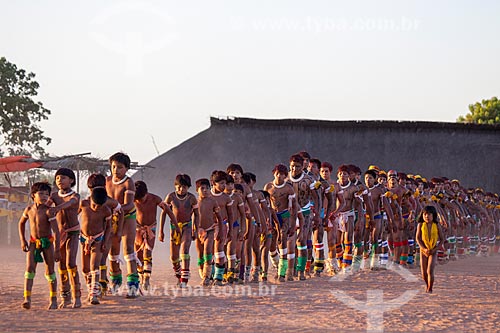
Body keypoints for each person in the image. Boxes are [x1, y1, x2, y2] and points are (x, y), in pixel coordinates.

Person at [18, 182, 61, 310]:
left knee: (50, 271)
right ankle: (27, 298)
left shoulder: (49, 212)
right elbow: (21, 224)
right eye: (41, 193)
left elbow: (56, 232)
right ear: (33, 195)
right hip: (33, 242)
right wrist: (23, 240)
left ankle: (53, 300)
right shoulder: (29, 210)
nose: (44, 197)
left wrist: (57, 250)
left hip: (47, 242)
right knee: (30, 269)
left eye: (47, 194)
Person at [105, 152, 139, 297]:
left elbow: (129, 204)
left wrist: (116, 210)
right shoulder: (107, 181)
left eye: (120, 167)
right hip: (112, 218)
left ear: (126, 169)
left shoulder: (128, 182)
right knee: (113, 251)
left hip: (127, 216)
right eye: (113, 166)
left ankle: (132, 286)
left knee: (128, 250)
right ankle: (115, 282)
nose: (116, 170)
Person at [134, 181, 177, 290]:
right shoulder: (133, 200)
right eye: (138, 199)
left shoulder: (155, 199)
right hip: (137, 228)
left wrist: (176, 225)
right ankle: (140, 275)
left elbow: (168, 211)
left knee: (147, 252)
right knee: (138, 255)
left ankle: (147, 278)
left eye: (142, 198)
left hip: (151, 228)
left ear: (146, 193)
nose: (140, 201)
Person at [49, 168, 82, 308]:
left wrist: (58, 208)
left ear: (71, 180)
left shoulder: (75, 195)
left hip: (73, 232)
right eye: (57, 178)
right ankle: (65, 296)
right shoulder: (54, 195)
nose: (59, 181)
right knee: (61, 265)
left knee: (71, 263)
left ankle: (77, 296)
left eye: (63, 178)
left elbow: (71, 203)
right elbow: (45, 204)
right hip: (60, 234)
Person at [86, 173, 123, 296]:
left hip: (106, 234)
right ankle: (97, 284)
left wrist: (119, 230)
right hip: (88, 237)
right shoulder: (87, 202)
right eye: (92, 189)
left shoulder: (109, 202)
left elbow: (121, 212)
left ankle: (101, 286)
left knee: (102, 260)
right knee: (90, 265)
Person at [160, 174, 199, 288]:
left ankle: (184, 280)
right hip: (174, 228)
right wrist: (161, 231)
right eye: (179, 187)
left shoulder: (191, 198)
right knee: (174, 257)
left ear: (188, 187)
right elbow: (164, 213)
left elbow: (197, 215)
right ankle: (178, 275)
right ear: (175, 186)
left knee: (184, 251)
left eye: (185, 187)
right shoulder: (170, 197)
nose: (182, 190)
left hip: (187, 226)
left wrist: (195, 229)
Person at [287, 154, 320, 280]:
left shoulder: (309, 180)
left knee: (302, 240)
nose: (295, 169)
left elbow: (316, 198)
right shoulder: (286, 179)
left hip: (305, 212)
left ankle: (301, 270)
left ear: (303, 167)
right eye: (292, 166)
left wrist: (317, 214)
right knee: (291, 242)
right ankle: (292, 268)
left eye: (298, 166)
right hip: (290, 214)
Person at [263, 164, 298, 282]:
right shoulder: (268, 186)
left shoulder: (289, 188)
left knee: (283, 238)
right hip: (272, 214)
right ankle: (278, 265)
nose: (279, 176)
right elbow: (264, 204)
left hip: (285, 214)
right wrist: (266, 219)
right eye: (277, 174)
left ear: (285, 175)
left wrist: (293, 223)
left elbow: (293, 207)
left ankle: (282, 273)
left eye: (282, 174)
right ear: (274, 173)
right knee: (272, 242)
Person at [79, 186, 112, 304]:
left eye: (99, 206)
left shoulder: (106, 210)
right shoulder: (83, 204)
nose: (96, 208)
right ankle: (90, 288)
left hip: (98, 239)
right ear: (90, 199)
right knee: (85, 269)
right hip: (84, 239)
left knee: (94, 267)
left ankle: (94, 294)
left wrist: (105, 241)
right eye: (94, 205)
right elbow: (74, 217)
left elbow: (109, 227)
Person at [194, 178, 223, 286]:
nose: (205, 190)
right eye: (202, 188)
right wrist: (193, 230)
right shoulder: (195, 202)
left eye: (207, 188)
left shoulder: (212, 201)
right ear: (197, 190)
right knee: (200, 254)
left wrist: (220, 231)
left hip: (210, 229)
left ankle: (206, 277)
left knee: (207, 252)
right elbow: (193, 217)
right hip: (198, 230)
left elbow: (219, 217)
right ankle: (204, 274)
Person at [209, 171, 234, 285]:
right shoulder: (206, 196)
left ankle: (218, 278)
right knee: (209, 251)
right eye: (222, 183)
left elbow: (230, 215)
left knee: (219, 250)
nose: (224, 186)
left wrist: (231, 229)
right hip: (208, 227)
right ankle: (210, 275)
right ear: (213, 183)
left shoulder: (226, 198)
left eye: (225, 183)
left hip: (222, 225)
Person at [416, 205, 445, 293]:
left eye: (429, 215)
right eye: (425, 215)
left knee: (430, 270)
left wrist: (435, 249)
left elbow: (442, 239)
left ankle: (430, 288)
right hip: (423, 250)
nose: (427, 217)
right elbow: (418, 238)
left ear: (433, 216)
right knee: (424, 274)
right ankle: (427, 284)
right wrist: (423, 249)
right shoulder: (420, 225)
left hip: (433, 249)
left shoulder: (436, 225)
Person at [224, 175, 246, 284]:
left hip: (234, 225)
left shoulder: (237, 198)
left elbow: (243, 215)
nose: (229, 186)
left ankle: (231, 274)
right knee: (221, 250)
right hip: (222, 225)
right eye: (227, 184)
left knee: (231, 250)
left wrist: (243, 230)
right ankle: (222, 273)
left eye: (231, 184)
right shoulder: (220, 197)